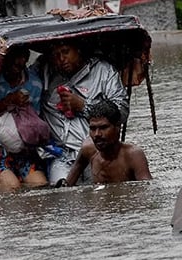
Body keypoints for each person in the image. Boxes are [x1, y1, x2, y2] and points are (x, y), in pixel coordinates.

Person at [32, 40, 129, 186]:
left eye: (65, 52)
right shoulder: (44, 70)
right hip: (59, 155)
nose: (61, 59)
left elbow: (121, 112)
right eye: (56, 55)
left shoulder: (103, 71)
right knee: (61, 196)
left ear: (78, 50)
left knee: (100, 194)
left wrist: (84, 106)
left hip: (96, 152)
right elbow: (20, 82)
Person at [0, 45, 48, 191]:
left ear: (26, 58)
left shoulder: (34, 84)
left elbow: (33, 121)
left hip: (22, 148)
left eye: (22, 57)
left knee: (40, 184)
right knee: (12, 186)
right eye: (12, 56)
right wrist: (8, 101)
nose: (18, 61)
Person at [66, 100, 152, 186]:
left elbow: (146, 190)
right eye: (92, 128)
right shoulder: (88, 149)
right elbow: (67, 186)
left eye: (103, 127)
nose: (97, 134)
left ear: (118, 127)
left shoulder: (133, 156)